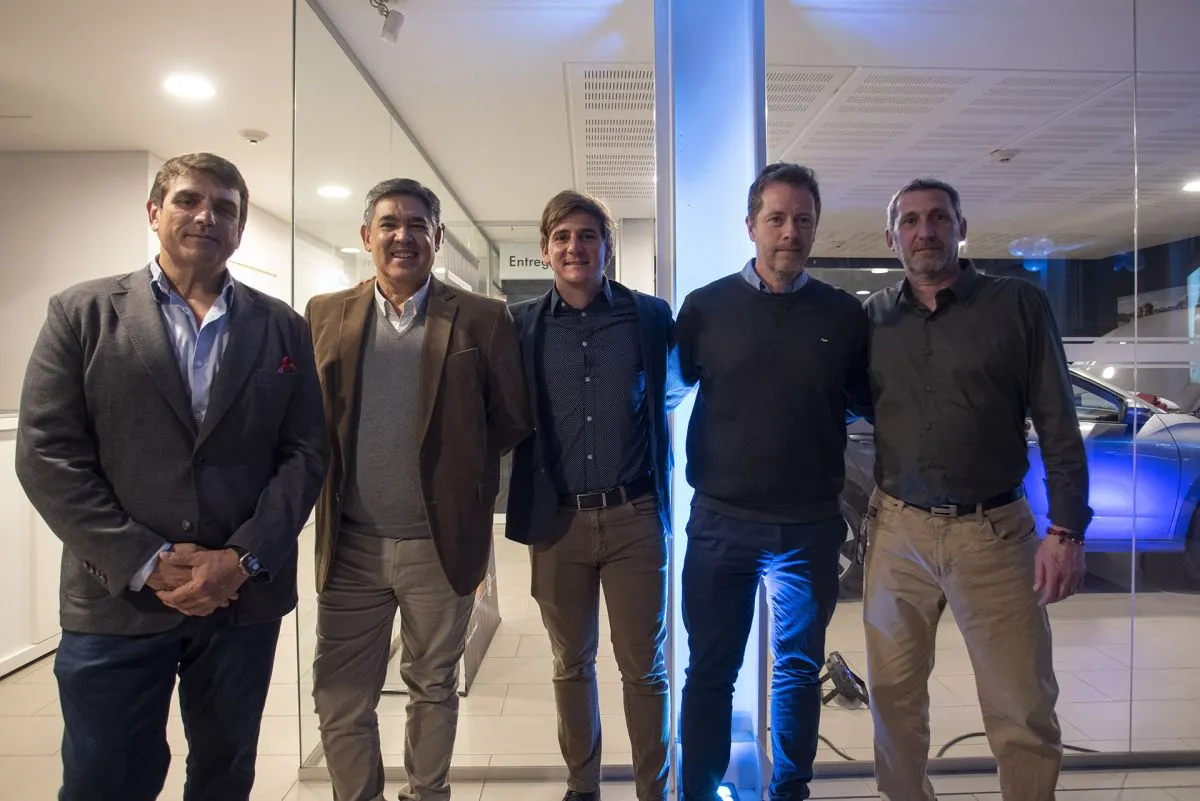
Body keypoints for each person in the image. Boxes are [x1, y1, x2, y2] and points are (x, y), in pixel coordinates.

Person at [14, 152, 328, 801]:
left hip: (241, 600)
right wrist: (145, 560)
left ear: (239, 229)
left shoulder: (281, 326)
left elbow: (304, 453)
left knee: (226, 770)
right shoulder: (82, 313)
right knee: (105, 777)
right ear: (154, 212)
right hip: (117, 600)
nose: (206, 216)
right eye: (189, 200)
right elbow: (46, 453)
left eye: (224, 208)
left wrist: (241, 558)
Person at [862, 177, 1091, 801]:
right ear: (891, 237)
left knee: (1021, 704)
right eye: (910, 221)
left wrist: (1066, 530)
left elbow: (1057, 419)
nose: (925, 231)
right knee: (892, 701)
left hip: (993, 533)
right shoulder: (874, 317)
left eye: (938, 217)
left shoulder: (1016, 304)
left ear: (961, 228)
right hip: (897, 531)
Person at [306, 178, 531, 801]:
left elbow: (511, 418)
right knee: (340, 694)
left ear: (437, 236)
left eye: (416, 224)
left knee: (432, 686)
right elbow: (306, 418)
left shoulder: (482, 317)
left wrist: (461, 476)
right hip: (350, 546)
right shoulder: (325, 313)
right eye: (389, 224)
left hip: (439, 546)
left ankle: (428, 794)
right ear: (366, 236)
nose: (402, 236)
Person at [674, 163, 873, 801]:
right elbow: (670, 391)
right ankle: (698, 792)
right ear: (751, 226)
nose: (791, 231)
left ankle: (790, 792)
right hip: (721, 524)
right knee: (710, 670)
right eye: (777, 218)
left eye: (803, 220)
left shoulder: (843, 314)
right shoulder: (704, 308)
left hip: (808, 528)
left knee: (797, 670)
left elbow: (864, 402)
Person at [506, 190, 685, 801]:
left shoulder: (649, 316)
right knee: (571, 664)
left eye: (587, 235)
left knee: (645, 668)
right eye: (562, 236)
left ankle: (653, 790)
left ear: (607, 247)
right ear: (544, 249)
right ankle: (583, 787)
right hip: (557, 523)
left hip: (636, 516)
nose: (574, 247)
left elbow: (673, 389)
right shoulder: (521, 324)